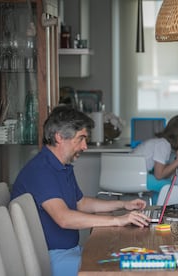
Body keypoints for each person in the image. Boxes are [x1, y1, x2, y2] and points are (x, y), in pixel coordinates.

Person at [11, 106, 151, 276]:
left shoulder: (62, 166)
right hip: (51, 259)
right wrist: (118, 220)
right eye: (81, 139)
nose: (85, 146)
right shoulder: (41, 170)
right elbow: (64, 218)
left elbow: (81, 202)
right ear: (59, 137)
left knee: (129, 256)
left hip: (70, 251)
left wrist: (123, 204)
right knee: (123, 268)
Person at [132, 115, 178, 203]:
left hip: (134, 176)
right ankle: (159, 210)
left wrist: (176, 161)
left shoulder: (161, 143)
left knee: (164, 187)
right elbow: (159, 175)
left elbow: (163, 175)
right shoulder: (163, 145)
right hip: (137, 177)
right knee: (172, 188)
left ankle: (157, 211)